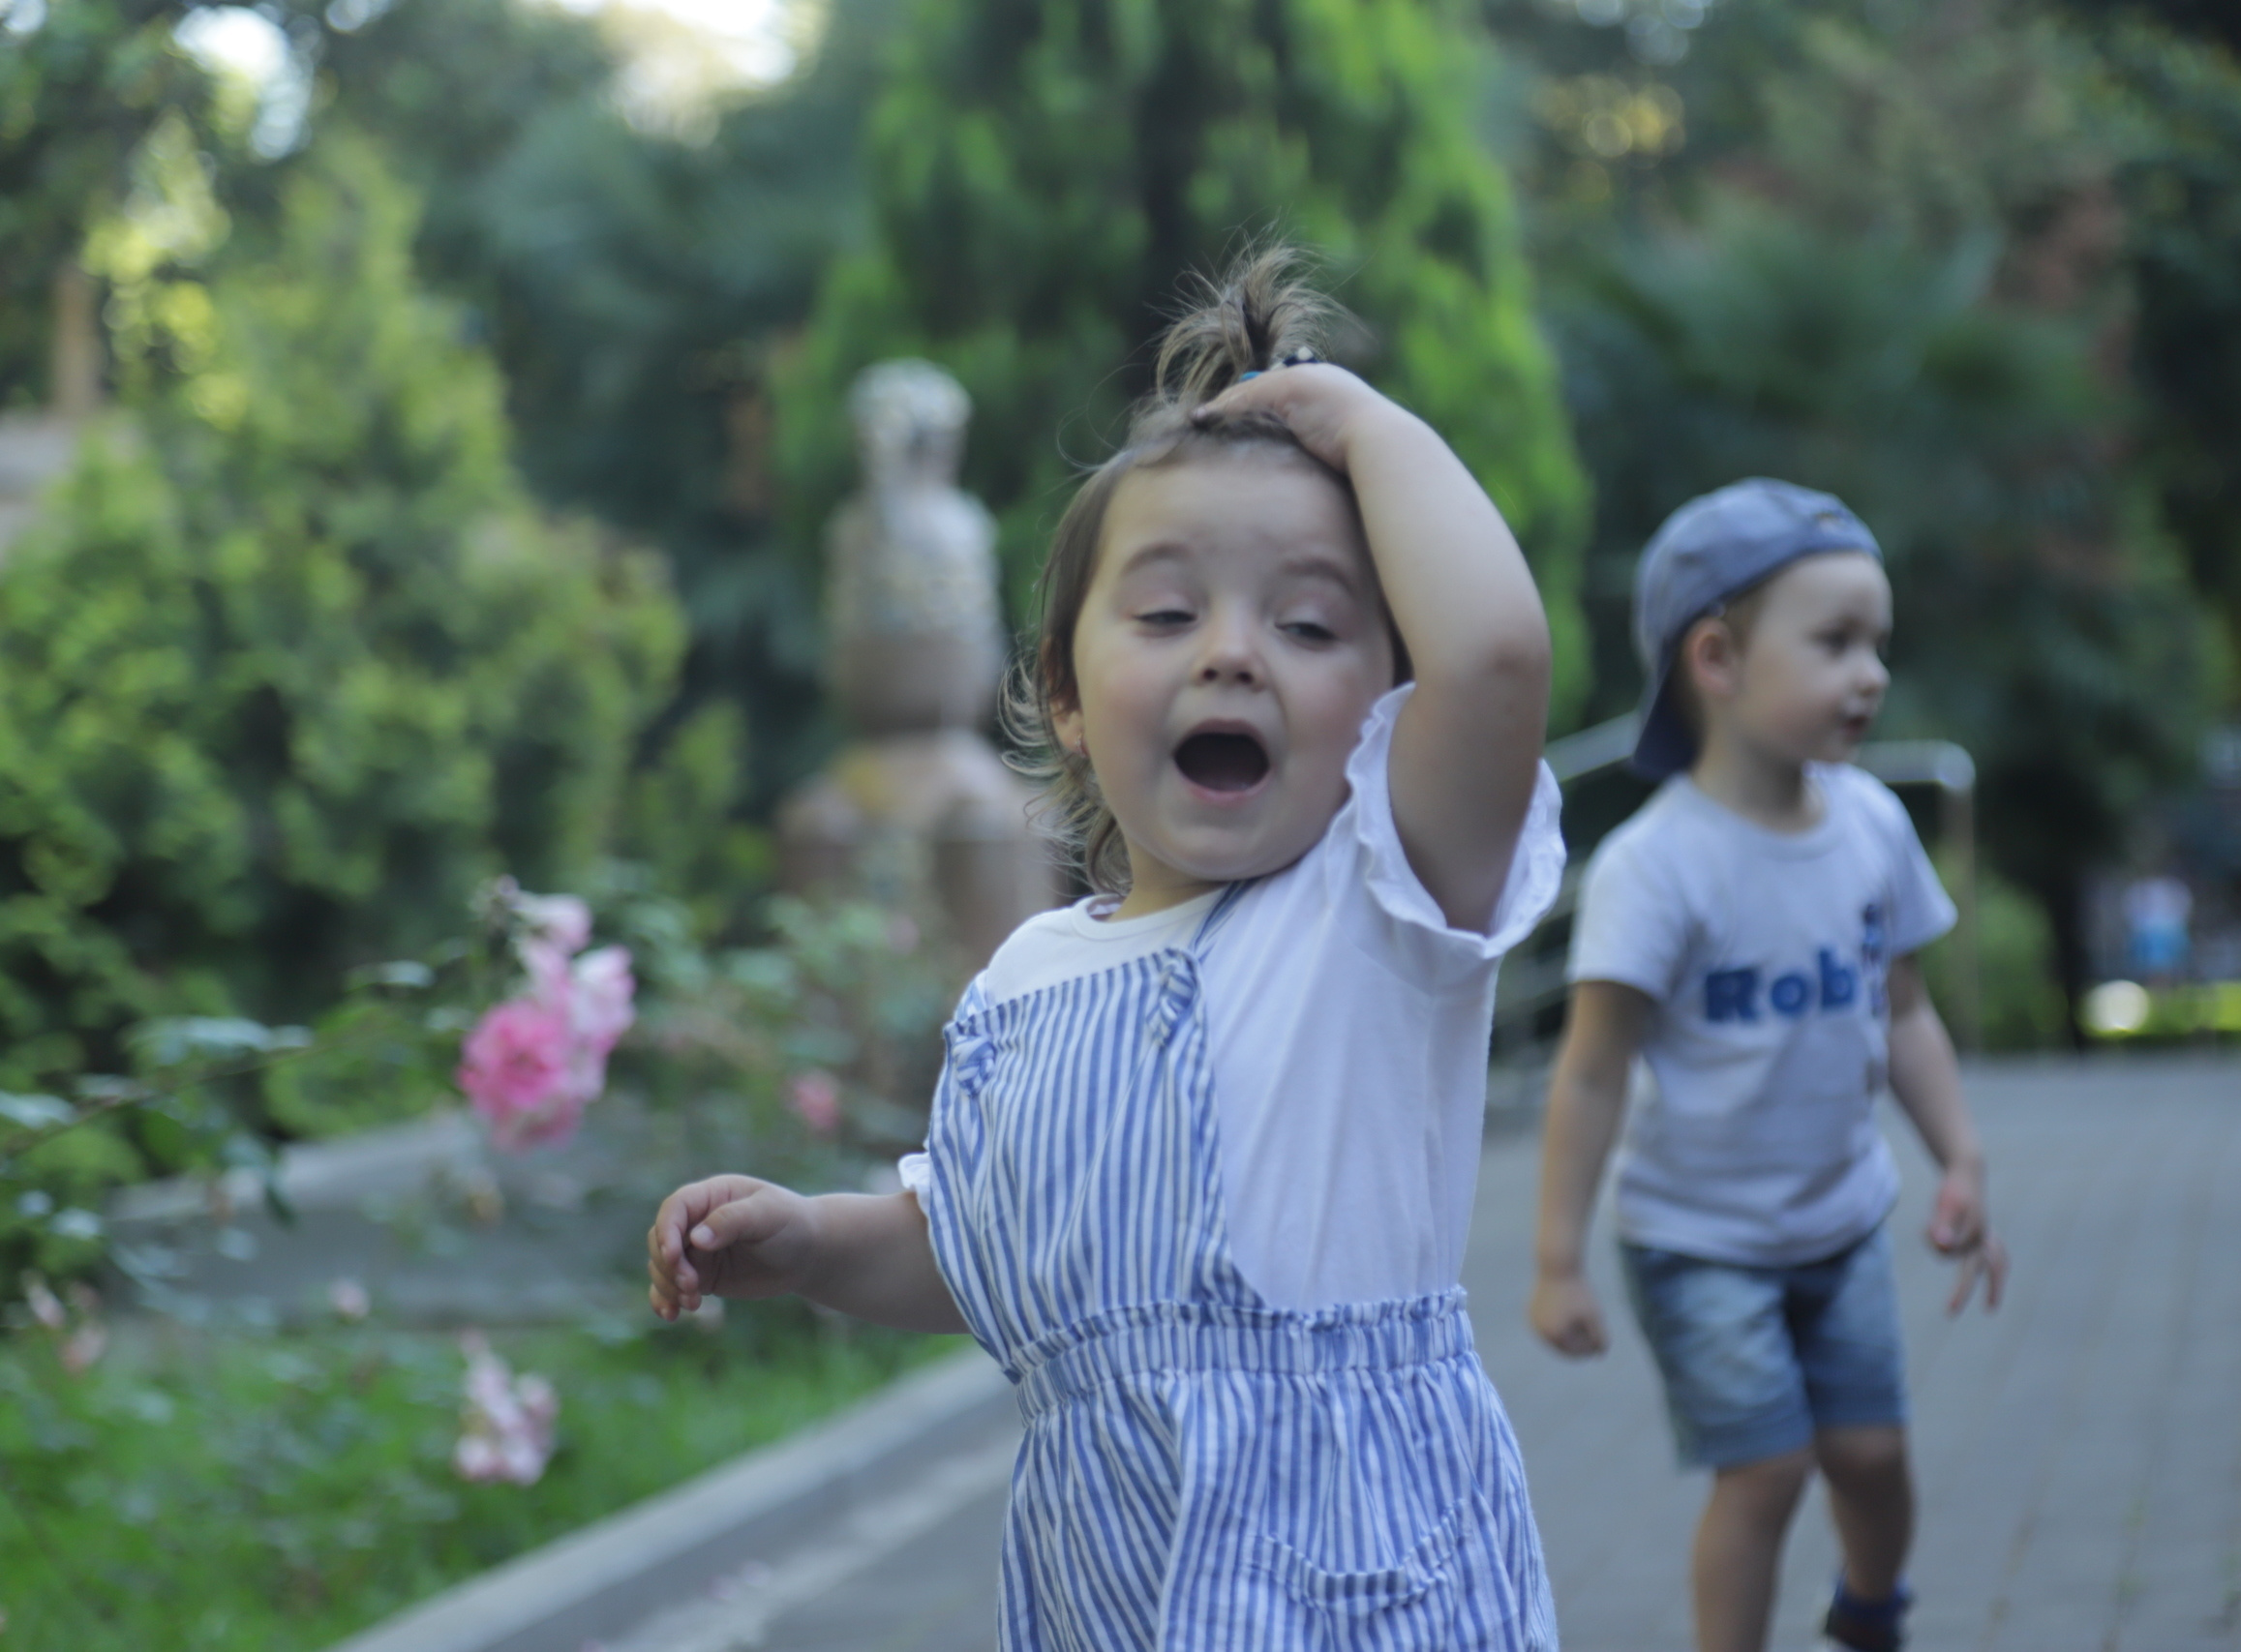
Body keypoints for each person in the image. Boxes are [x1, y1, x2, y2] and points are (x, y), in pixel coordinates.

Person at [648, 248, 1566, 1649]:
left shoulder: (1384, 912)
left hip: (1368, 1583)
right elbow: (987, 1246)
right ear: (1068, 698)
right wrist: (817, 1242)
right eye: (1166, 611)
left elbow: (1498, 654)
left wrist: (1363, 424)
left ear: (1386, 700)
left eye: (1310, 622)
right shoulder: (1023, 982)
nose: (1235, 652)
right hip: (1116, 1589)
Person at [1527, 479, 2007, 1652]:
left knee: (1872, 1453)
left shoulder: (1873, 829)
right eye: (1836, 642)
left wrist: (1959, 1155)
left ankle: (1869, 1613)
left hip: (1837, 1222)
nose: (1871, 675)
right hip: (1698, 1241)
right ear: (1716, 658)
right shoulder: (1658, 869)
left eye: (1876, 644)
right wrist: (1555, 1261)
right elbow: (1591, 1072)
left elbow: (1902, 1012)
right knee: (1768, 1469)